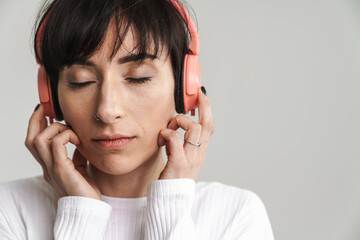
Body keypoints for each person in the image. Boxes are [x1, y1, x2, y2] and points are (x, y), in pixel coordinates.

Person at [0, 0, 274, 239]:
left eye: (138, 77)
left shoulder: (235, 216)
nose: (107, 110)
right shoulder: (10, 209)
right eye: (82, 82)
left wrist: (171, 207)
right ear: (51, 96)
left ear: (184, 88)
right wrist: (80, 215)